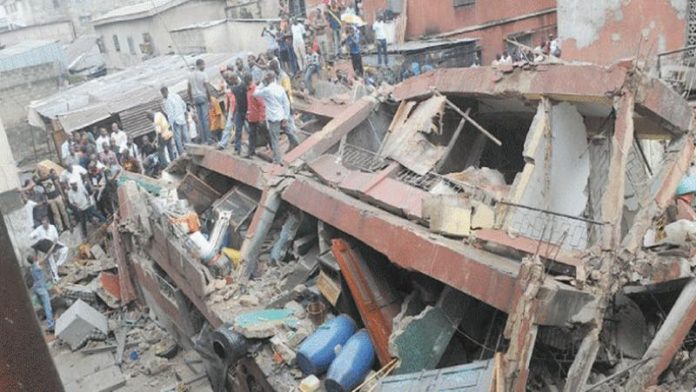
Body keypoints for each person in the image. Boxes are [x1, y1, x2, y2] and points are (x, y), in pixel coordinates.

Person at [254, 72, 294, 164]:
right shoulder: (280, 88)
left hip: (273, 119)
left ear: (267, 79)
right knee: (290, 133)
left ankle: (278, 161)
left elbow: (255, 94)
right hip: (282, 116)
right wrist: (286, 117)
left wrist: (262, 84)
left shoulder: (267, 90)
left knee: (275, 140)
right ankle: (298, 146)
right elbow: (286, 103)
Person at [30, 216, 68, 282]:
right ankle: (55, 278)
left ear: (48, 223)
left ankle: (58, 264)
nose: (44, 225)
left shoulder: (52, 227)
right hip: (46, 248)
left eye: (45, 224)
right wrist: (37, 237)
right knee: (51, 261)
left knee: (65, 249)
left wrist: (53, 243)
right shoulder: (39, 229)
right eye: (43, 224)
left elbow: (56, 238)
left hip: (54, 244)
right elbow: (31, 236)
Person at [26, 254, 55, 332]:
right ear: (34, 258)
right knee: (47, 307)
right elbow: (46, 257)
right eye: (35, 256)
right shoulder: (36, 265)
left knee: (44, 306)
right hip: (41, 289)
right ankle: (51, 326)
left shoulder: (31, 268)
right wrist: (53, 245)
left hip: (36, 289)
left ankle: (49, 320)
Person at [188, 58, 212, 144]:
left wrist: (191, 100)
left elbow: (189, 89)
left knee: (200, 120)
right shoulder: (203, 74)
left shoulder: (190, 75)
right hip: (203, 97)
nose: (204, 66)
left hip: (195, 99)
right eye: (203, 65)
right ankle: (209, 139)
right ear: (200, 65)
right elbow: (207, 88)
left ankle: (203, 140)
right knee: (205, 119)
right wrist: (210, 101)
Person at [161, 86, 189, 156]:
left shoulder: (167, 101)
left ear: (164, 92)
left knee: (178, 139)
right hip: (182, 118)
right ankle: (191, 150)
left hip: (176, 121)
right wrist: (184, 113)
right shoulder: (176, 96)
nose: (163, 96)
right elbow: (183, 104)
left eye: (162, 94)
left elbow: (170, 114)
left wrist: (171, 125)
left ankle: (181, 153)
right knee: (186, 136)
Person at [245, 73, 265, 159]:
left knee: (266, 133)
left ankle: (273, 149)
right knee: (252, 135)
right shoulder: (248, 91)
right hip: (252, 117)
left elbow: (261, 104)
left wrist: (261, 118)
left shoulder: (255, 91)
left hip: (258, 117)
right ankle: (251, 152)